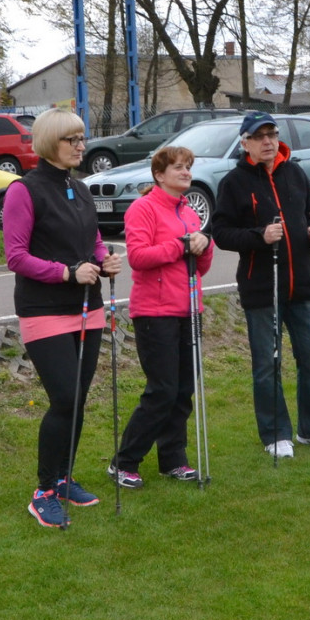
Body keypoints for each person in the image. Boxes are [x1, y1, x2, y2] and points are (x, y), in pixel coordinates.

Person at [3, 108, 123, 528]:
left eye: (81, 138)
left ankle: (63, 476)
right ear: (50, 142)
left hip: (87, 307)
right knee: (65, 399)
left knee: (78, 400)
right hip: (44, 309)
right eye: (72, 139)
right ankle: (43, 491)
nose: (80, 145)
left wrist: (104, 260)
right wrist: (67, 272)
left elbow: (91, 240)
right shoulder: (24, 190)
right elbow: (16, 256)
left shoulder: (80, 188)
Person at [212, 112, 310, 459]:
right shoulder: (234, 182)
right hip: (261, 288)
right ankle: (275, 433)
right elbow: (221, 233)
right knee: (267, 365)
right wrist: (259, 236)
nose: (268, 141)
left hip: (303, 285)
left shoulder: (294, 172)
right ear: (245, 143)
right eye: (259, 136)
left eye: (271, 134)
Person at [108, 146, 214, 489]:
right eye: (178, 168)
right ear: (159, 175)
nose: (186, 172)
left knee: (183, 390)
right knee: (163, 390)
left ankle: (173, 460)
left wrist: (204, 245)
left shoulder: (190, 212)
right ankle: (124, 461)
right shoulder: (144, 208)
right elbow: (138, 257)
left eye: (188, 167)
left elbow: (200, 268)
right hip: (155, 312)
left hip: (188, 309)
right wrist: (182, 246)